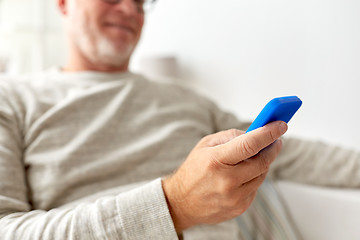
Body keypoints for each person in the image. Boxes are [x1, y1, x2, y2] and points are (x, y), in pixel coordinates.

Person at [0, 0, 359, 239]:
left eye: (141, 1)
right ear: (63, 3)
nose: (129, 9)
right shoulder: (13, 100)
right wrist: (174, 204)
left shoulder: (188, 100)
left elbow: (292, 153)